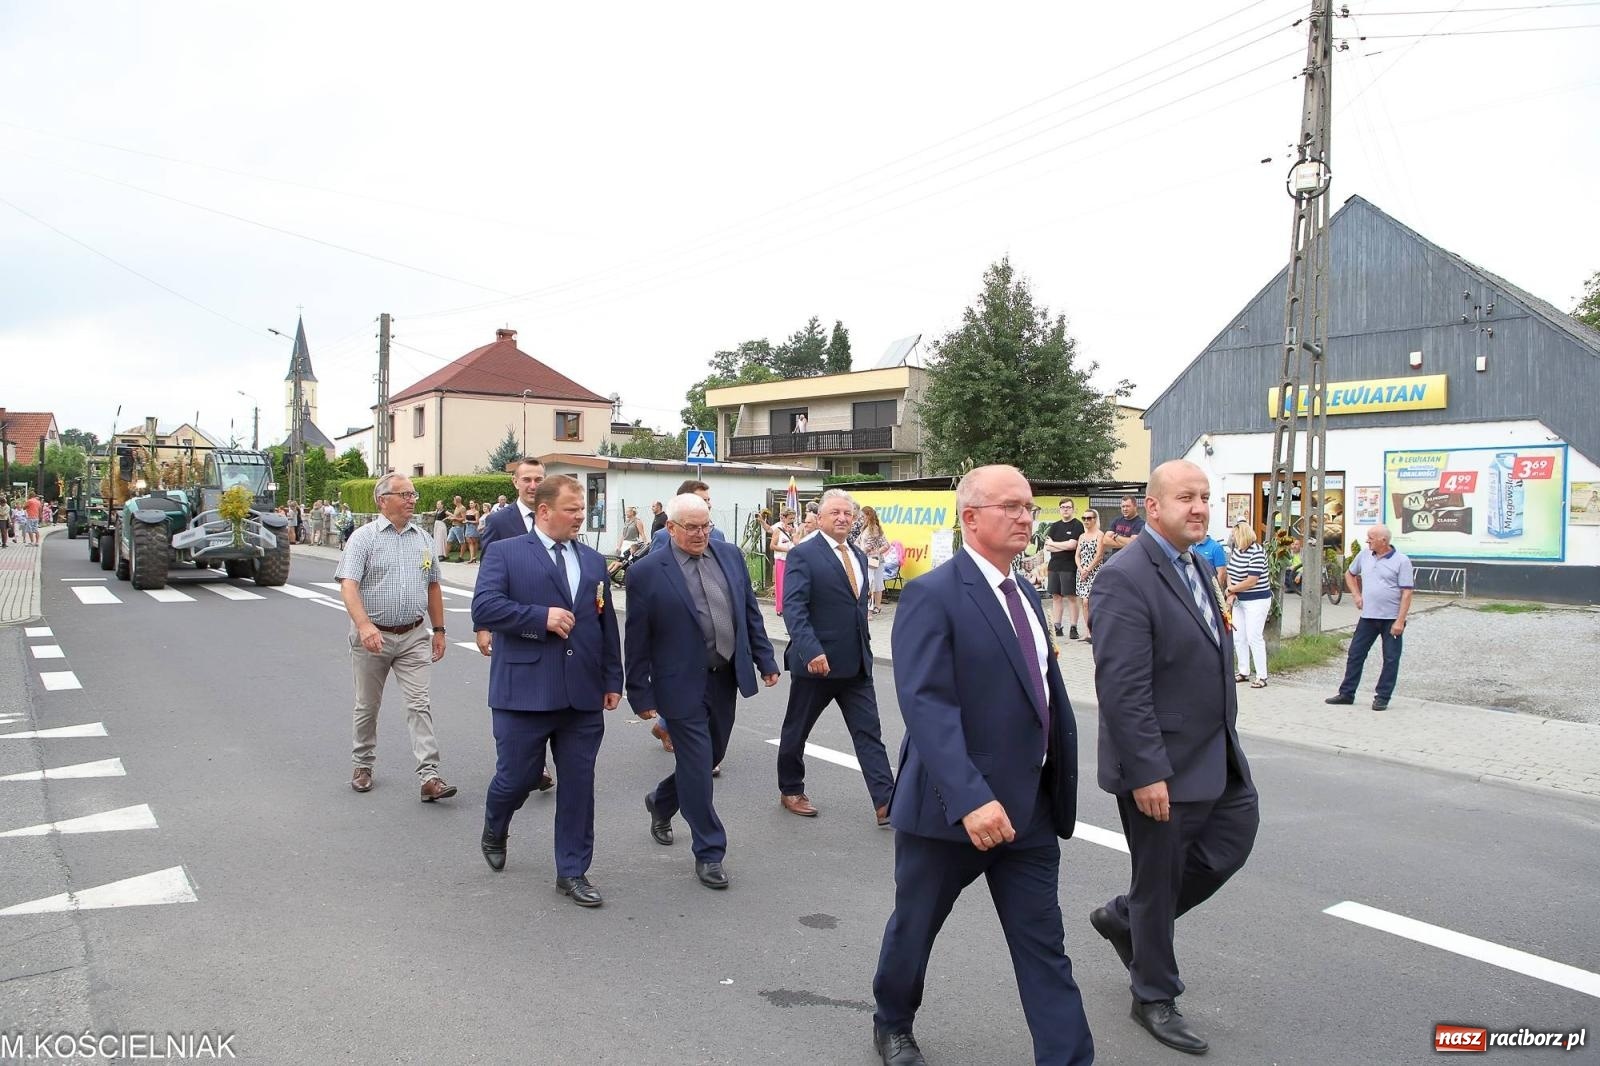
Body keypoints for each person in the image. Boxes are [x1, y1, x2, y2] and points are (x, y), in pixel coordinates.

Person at [871, 466, 1091, 1066]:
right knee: (915, 928)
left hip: (1029, 807)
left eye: (1030, 508)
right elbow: (927, 706)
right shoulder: (932, 594)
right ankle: (892, 1021)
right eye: (1011, 507)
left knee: (1044, 947)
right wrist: (970, 797)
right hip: (951, 809)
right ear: (971, 517)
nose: (1027, 517)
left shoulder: (1026, 593)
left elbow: (1041, 692)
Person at [1087, 460, 1258, 1057]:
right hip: (1160, 763)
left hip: (1214, 751)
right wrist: (1147, 771)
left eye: (1205, 497)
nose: (1200, 507)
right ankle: (1153, 994)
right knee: (1159, 880)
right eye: (1186, 497)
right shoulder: (1125, 576)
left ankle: (1126, 918)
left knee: (1233, 838)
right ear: (1152, 508)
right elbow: (1122, 686)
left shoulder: (1195, 564)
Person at [472, 475, 622, 907]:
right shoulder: (505, 553)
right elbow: (484, 607)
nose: (581, 516)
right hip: (524, 690)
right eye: (573, 508)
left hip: (582, 694)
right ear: (544, 511)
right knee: (517, 778)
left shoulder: (593, 561)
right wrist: (540, 617)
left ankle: (572, 871)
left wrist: (613, 679)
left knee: (578, 784)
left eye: (582, 509)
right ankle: (496, 823)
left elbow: (604, 622)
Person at [624, 493, 779, 890]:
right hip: (679, 682)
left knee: (712, 754)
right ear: (671, 528)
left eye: (705, 526)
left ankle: (661, 802)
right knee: (698, 766)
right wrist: (639, 693)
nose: (700, 534)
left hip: (724, 675)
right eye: (691, 528)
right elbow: (637, 639)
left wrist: (765, 659)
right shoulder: (647, 572)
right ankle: (710, 850)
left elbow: (748, 612)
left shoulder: (729, 556)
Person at [776, 489, 895, 824]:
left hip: (856, 664)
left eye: (848, 514)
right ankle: (791, 789)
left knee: (869, 732)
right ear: (821, 517)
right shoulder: (804, 554)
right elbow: (794, 608)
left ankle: (886, 801)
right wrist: (810, 649)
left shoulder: (857, 554)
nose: (843, 518)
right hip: (817, 664)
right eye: (835, 513)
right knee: (797, 731)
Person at [335, 473, 456, 802]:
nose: (411, 500)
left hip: (414, 635)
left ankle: (429, 776)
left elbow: (433, 586)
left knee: (420, 704)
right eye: (403, 494)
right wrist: (364, 626)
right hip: (372, 636)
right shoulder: (363, 538)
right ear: (382, 501)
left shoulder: (423, 539)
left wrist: (440, 630)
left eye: (413, 494)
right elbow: (348, 585)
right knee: (367, 705)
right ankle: (362, 764)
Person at [476, 458, 556, 792]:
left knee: (547, 693)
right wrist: (483, 625)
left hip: (552, 623)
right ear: (515, 483)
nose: (533, 485)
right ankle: (520, 764)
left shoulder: (555, 517)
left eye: (539, 478)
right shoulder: (500, 522)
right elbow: (486, 578)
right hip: (513, 621)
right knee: (517, 695)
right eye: (527, 479)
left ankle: (535, 763)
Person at [1325, 524, 1413, 711]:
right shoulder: (1364, 555)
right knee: (1355, 654)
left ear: (1384, 540)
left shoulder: (1401, 561)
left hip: (1391, 618)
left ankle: (1382, 696)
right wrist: (1356, 595)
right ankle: (1346, 693)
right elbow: (1349, 574)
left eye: (1371, 537)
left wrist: (1400, 621)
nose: (1367, 540)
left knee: (1390, 658)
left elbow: (1407, 592)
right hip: (1368, 616)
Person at [1224, 521, 1271, 688]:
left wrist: (1231, 590)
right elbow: (1230, 572)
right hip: (1240, 600)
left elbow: (1252, 580)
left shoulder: (1257, 552)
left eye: (1234, 536)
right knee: (1239, 637)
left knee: (1254, 637)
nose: (1232, 539)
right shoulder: (1237, 551)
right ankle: (1243, 670)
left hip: (1256, 600)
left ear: (1241, 536)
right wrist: (1232, 591)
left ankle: (1262, 675)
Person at [1043, 499, 1085, 639]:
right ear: (1059, 509)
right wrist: (1061, 545)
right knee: (1056, 596)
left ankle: (1073, 627)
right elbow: (1047, 547)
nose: (1065, 510)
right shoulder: (1054, 526)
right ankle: (1057, 626)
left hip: (1069, 566)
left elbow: (1072, 545)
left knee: (1072, 597)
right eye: (1063, 507)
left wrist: (1055, 544)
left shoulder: (1077, 525)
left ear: (1073, 509)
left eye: (1068, 507)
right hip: (1054, 565)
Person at [649, 480, 726, 552]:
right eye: (702, 501)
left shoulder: (718, 535)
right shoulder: (663, 537)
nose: (708, 505)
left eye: (708, 500)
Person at [1074, 511, 1107, 644]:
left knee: (1092, 602)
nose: (1086, 521)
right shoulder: (1081, 536)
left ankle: (1097, 631)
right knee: (1084, 603)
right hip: (1082, 572)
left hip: (1094, 572)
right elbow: (1077, 555)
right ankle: (1088, 632)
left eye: (1089, 518)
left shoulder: (1100, 535)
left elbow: (1099, 556)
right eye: (1084, 518)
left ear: (1095, 519)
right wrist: (1081, 569)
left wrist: (1088, 569)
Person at [854, 505, 890, 616]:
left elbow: (880, 545)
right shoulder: (869, 527)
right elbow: (885, 544)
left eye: (863, 516)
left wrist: (869, 551)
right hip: (874, 559)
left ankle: (869, 610)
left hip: (871, 559)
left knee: (870, 583)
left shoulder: (872, 528)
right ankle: (876, 607)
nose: (861, 517)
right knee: (876, 583)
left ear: (868, 516)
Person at [770, 509, 798, 614]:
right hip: (781, 560)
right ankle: (780, 608)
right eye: (790, 518)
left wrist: (793, 534)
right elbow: (772, 546)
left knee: (791, 584)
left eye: (793, 518)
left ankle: (790, 606)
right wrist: (786, 550)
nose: (792, 521)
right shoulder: (778, 529)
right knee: (781, 584)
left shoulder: (795, 529)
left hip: (792, 560)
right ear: (784, 518)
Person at [448, 495, 467, 560]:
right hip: (453, 527)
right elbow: (456, 516)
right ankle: (446, 556)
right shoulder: (456, 507)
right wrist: (451, 517)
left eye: (454, 500)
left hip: (459, 527)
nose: (453, 501)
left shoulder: (462, 508)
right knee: (448, 541)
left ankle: (461, 557)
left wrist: (454, 518)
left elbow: (463, 518)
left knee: (462, 542)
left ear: (457, 501)